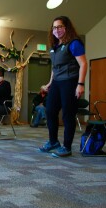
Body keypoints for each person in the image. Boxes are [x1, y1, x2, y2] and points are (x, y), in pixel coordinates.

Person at [38, 16, 88, 157]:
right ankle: (53, 142)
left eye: (60, 26)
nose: (57, 30)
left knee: (67, 115)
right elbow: (55, 68)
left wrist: (80, 84)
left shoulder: (74, 43)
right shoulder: (54, 47)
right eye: (54, 27)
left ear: (66, 27)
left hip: (70, 82)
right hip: (57, 83)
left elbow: (83, 64)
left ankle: (67, 147)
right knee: (50, 111)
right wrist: (49, 83)